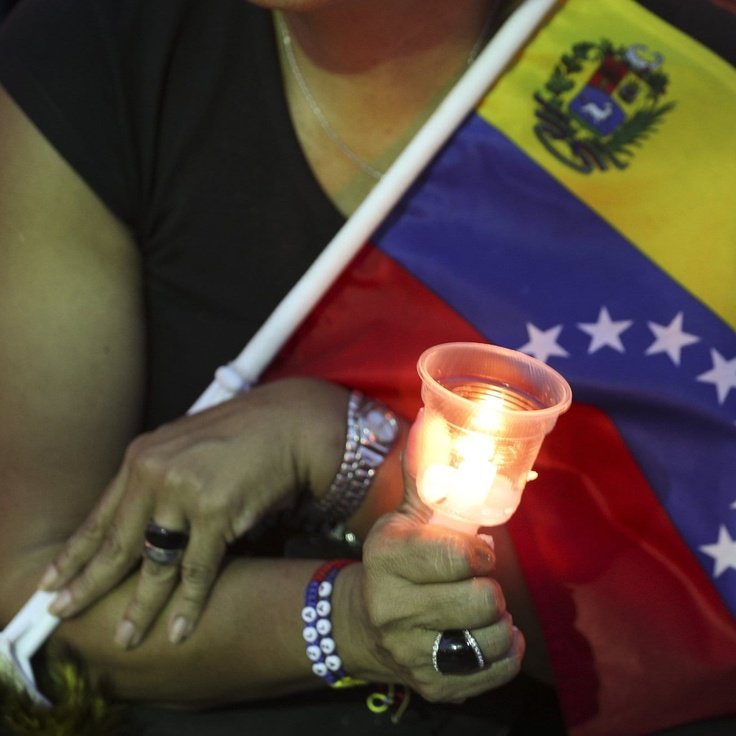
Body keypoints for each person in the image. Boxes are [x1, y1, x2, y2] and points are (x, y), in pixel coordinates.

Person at [0, 0, 733, 735]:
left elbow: (680, 627)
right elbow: (34, 606)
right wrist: (351, 620)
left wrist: (344, 451)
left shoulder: (682, 73)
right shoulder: (103, 47)